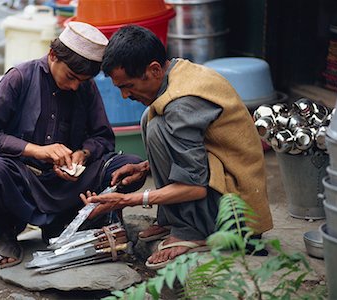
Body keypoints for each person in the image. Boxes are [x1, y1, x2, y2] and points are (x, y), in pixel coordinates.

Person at [80, 25, 273, 270]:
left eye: (127, 86)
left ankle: (193, 230)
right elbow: (200, 147)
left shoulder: (181, 104)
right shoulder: (179, 70)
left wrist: (128, 200)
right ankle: (175, 220)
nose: (125, 96)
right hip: (223, 183)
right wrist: (145, 167)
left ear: (154, 69)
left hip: (237, 216)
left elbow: (194, 188)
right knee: (151, 118)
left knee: (158, 124)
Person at [0, 22, 145, 269]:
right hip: (25, 179)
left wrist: (82, 155)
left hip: (71, 185)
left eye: (81, 81)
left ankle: (73, 222)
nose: (74, 86)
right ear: (53, 55)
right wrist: (35, 150)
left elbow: (103, 137)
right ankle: (2, 235)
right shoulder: (19, 77)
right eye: (71, 77)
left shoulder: (85, 85)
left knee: (131, 166)